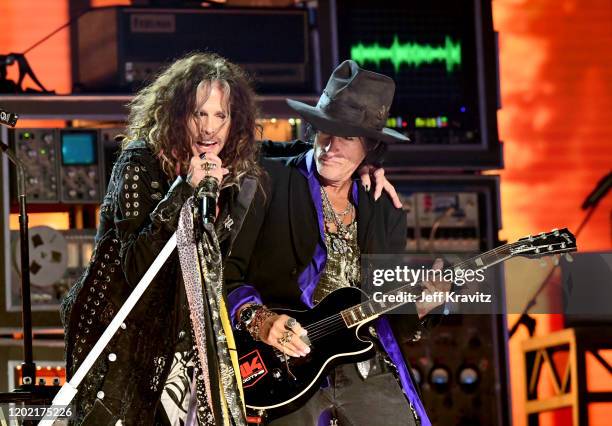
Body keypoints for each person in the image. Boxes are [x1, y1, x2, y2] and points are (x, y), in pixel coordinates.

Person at [60, 52, 398, 425]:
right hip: (124, 337)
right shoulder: (141, 161)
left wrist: (363, 162)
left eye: (220, 116)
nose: (209, 129)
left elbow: (296, 156)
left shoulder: (232, 163)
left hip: (190, 341)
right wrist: (183, 190)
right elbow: (137, 265)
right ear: (176, 115)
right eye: (198, 114)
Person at [225, 60, 449, 426]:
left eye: (347, 137)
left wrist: (424, 307)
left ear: (371, 148)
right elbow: (226, 273)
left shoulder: (385, 211)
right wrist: (259, 319)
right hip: (285, 370)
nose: (330, 147)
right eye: (325, 131)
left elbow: (390, 316)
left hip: (365, 368)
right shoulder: (272, 180)